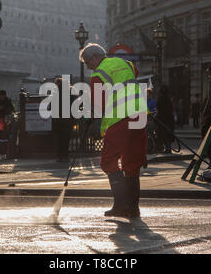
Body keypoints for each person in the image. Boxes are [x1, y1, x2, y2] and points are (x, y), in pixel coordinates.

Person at [80, 43, 147, 218]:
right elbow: (135, 75)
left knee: (108, 162)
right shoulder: (126, 63)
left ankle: (121, 205)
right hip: (139, 116)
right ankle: (132, 208)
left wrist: (89, 115)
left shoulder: (98, 74)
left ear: (95, 58)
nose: (88, 67)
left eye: (88, 62)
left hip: (119, 119)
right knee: (131, 164)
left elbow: (99, 104)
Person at [52, 77, 74, 162]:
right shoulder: (70, 93)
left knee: (59, 138)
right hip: (67, 119)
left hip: (57, 119)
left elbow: (50, 106)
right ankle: (65, 155)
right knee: (66, 138)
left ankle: (59, 156)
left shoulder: (55, 94)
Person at [156, 85, 175, 153]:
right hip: (169, 120)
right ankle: (168, 148)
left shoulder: (160, 98)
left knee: (163, 134)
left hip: (162, 120)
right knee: (168, 134)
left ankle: (165, 148)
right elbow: (171, 109)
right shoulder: (169, 98)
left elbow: (158, 109)